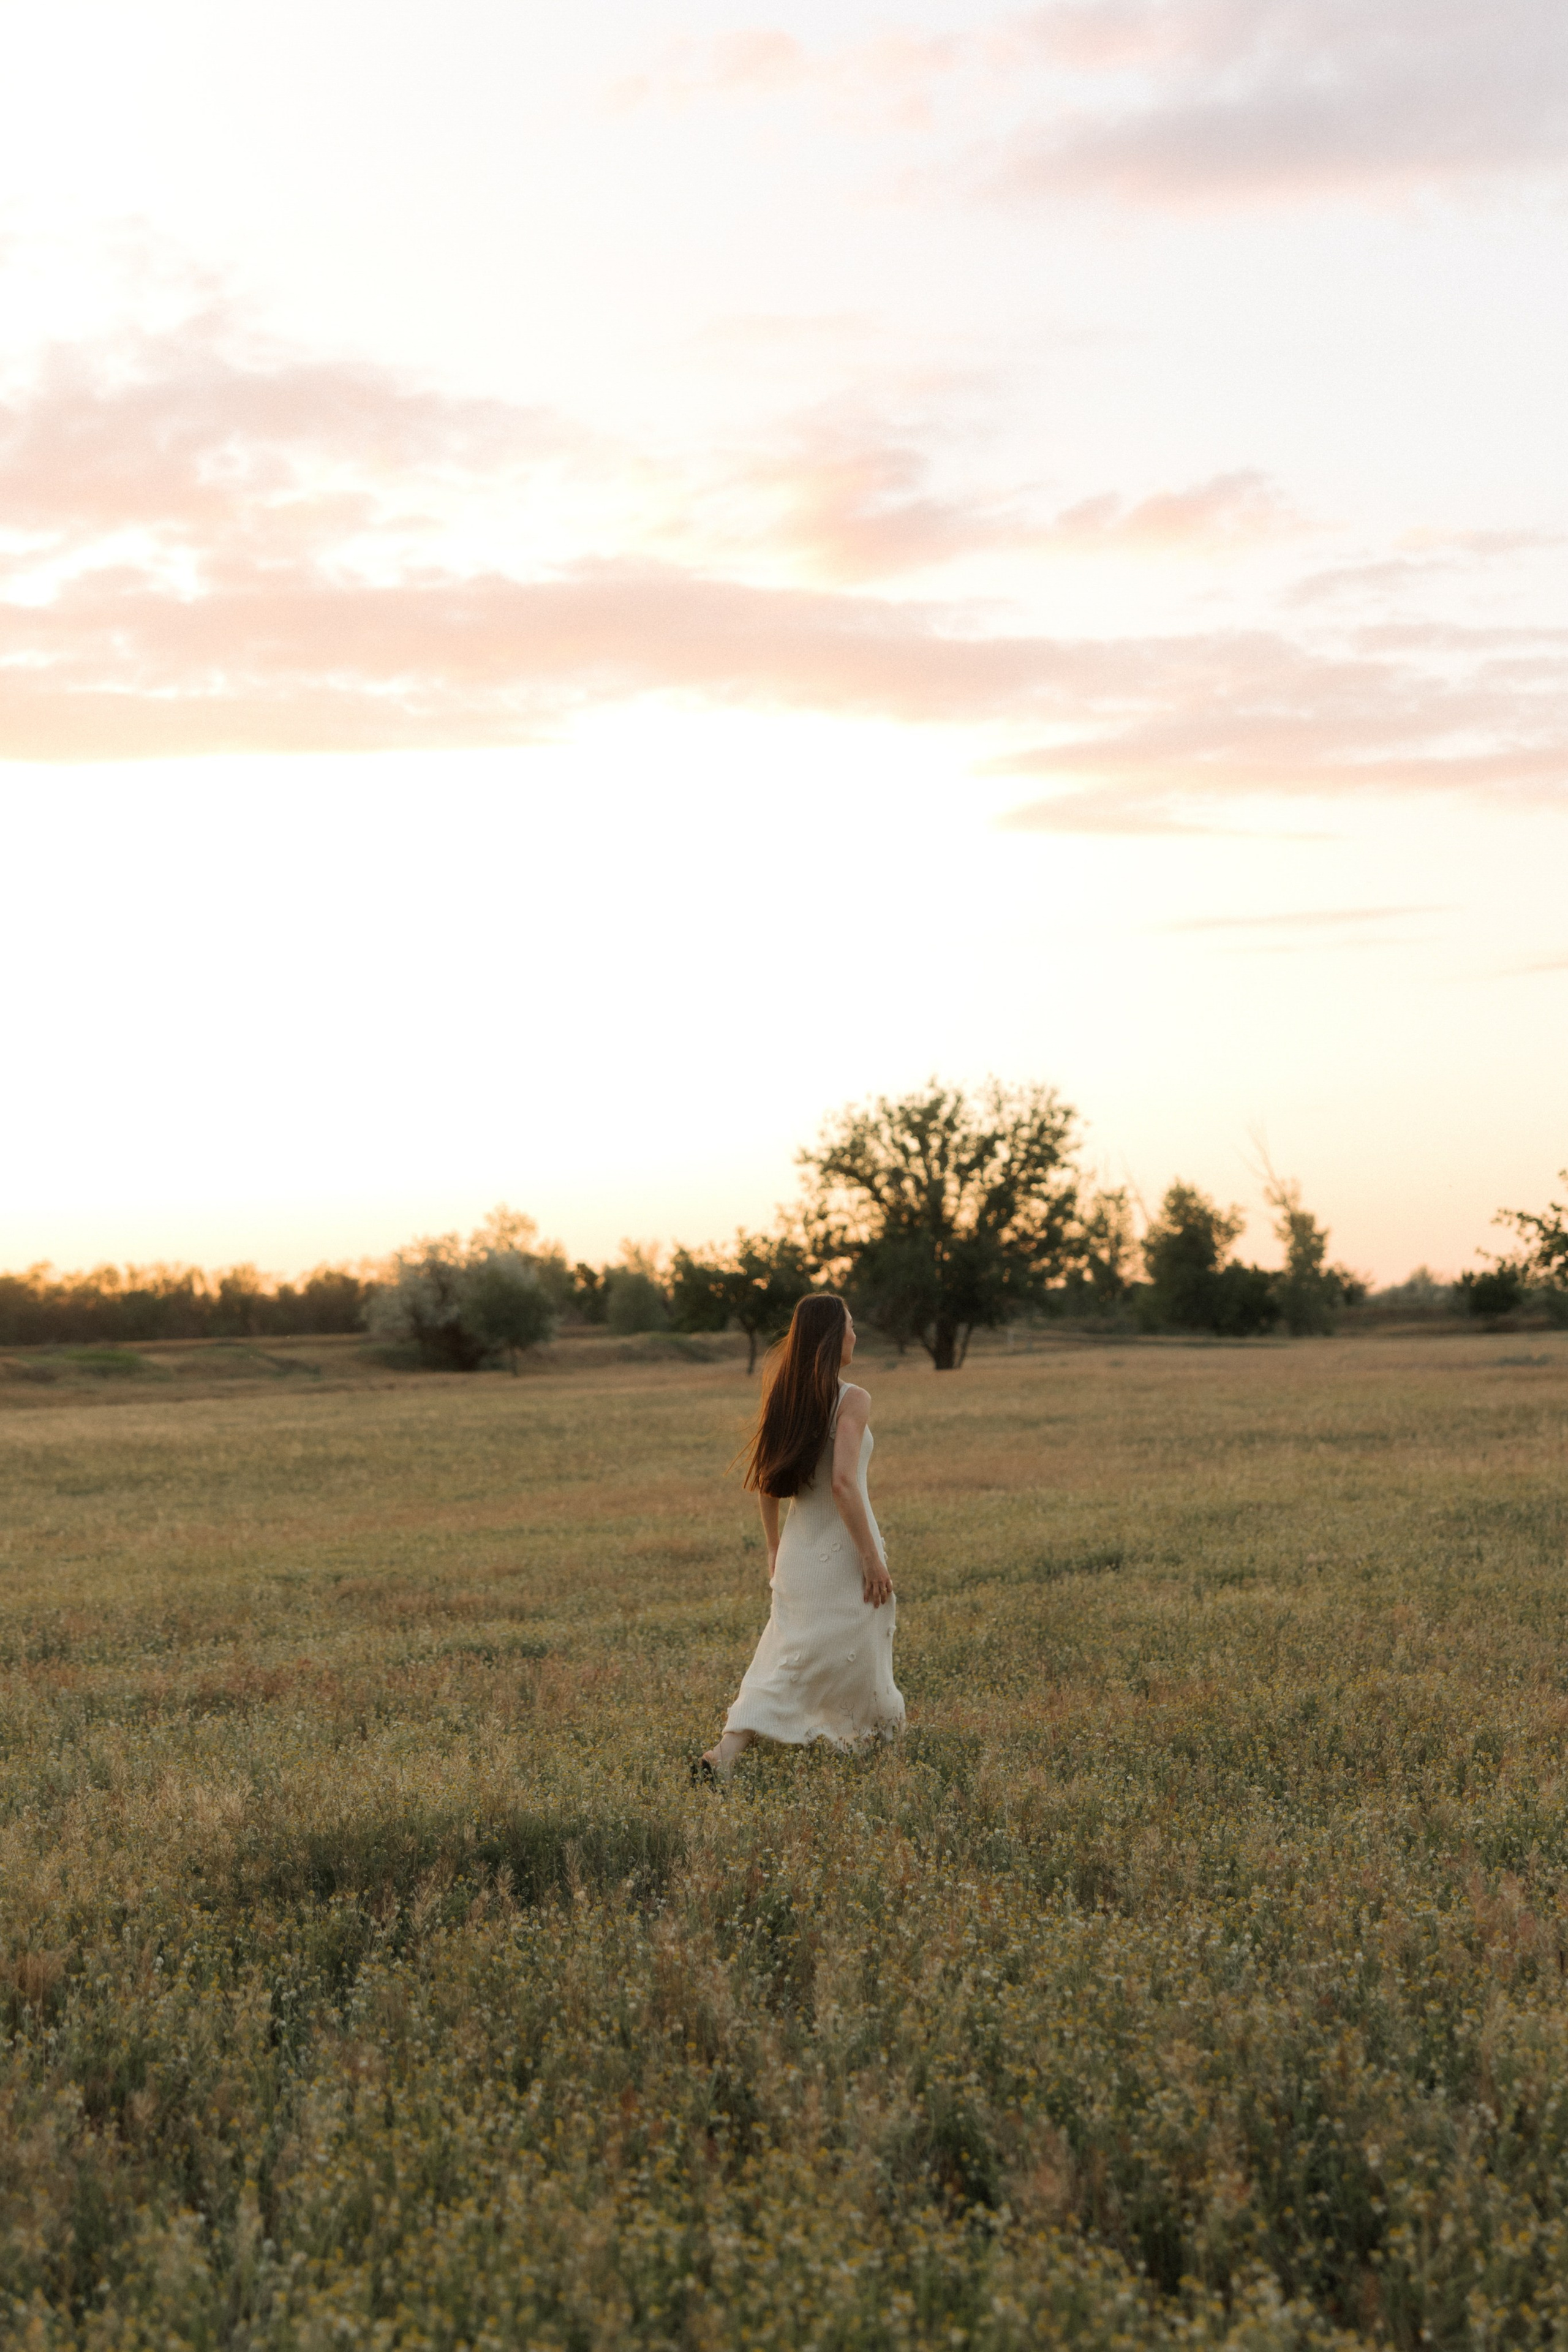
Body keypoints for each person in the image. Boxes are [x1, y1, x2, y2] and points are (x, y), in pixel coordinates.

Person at [695, 1292, 904, 1781]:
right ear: (834, 1337)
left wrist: (773, 1546)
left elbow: (765, 1479)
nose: (856, 1335)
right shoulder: (853, 1399)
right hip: (842, 1556)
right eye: (851, 1326)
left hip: (796, 1556)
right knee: (859, 1646)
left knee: (786, 1654)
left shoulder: (783, 1397)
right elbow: (844, 1483)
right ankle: (867, 1741)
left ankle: (724, 1756)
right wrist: (872, 1560)